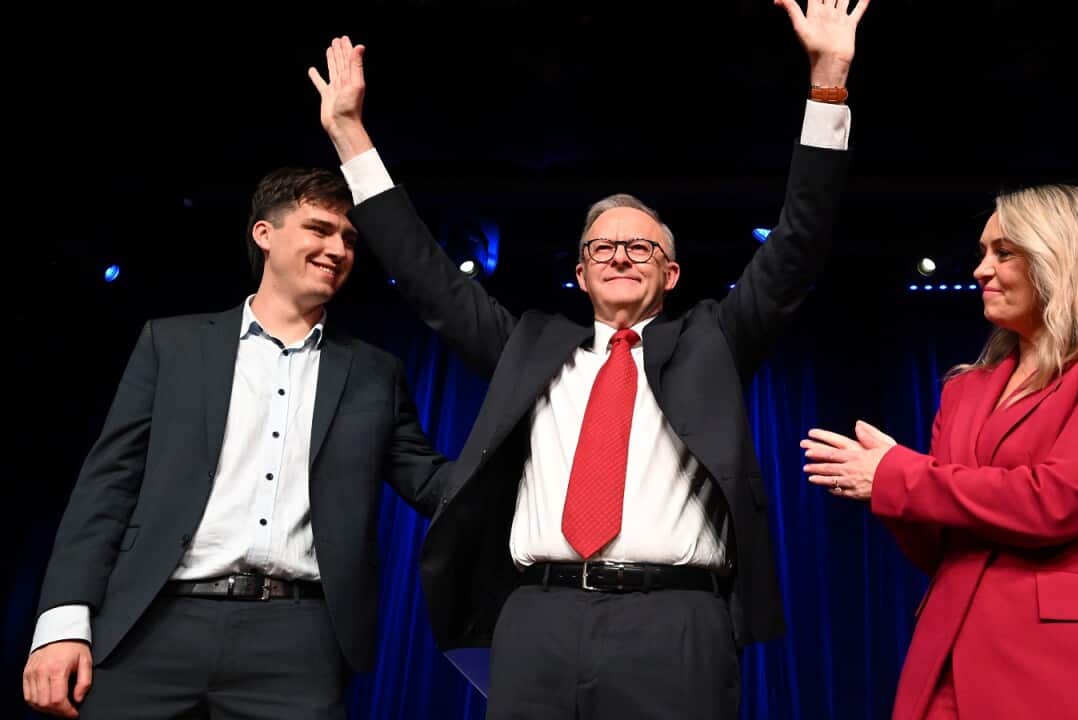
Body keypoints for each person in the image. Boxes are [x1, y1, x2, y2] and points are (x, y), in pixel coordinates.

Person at [306, 1, 870, 717]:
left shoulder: (713, 340)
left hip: (676, 625)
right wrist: (350, 134)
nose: (621, 257)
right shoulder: (531, 346)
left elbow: (797, 245)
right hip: (537, 619)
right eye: (603, 247)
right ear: (580, 273)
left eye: (642, 248)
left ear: (671, 274)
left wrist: (828, 80)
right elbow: (426, 277)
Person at [22, 167, 450, 719]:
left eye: (348, 239)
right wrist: (60, 625)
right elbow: (106, 488)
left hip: (297, 640)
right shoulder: (171, 344)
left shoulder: (374, 372)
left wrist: (534, 464)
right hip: (151, 623)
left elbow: (430, 480)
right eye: (319, 229)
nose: (337, 248)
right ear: (264, 235)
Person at [803, 184, 1078, 719]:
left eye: (1003, 252)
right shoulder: (964, 390)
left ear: (1060, 256)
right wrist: (884, 489)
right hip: (953, 654)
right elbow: (944, 550)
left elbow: (1057, 501)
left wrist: (898, 476)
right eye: (981, 253)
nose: (980, 270)